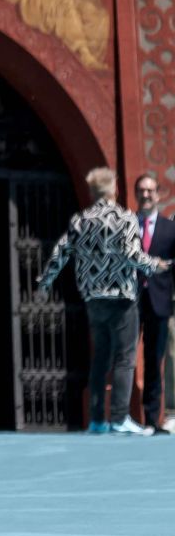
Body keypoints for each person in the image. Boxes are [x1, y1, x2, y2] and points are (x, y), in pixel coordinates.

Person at [40, 167, 169, 435]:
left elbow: (60, 253)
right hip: (122, 298)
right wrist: (155, 265)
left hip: (93, 298)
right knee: (125, 358)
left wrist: (45, 281)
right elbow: (134, 255)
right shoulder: (124, 218)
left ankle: (97, 420)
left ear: (91, 191)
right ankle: (120, 417)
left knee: (100, 358)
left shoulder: (80, 220)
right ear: (115, 190)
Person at [134, 174, 175, 433]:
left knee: (154, 359)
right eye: (142, 190)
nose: (146, 195)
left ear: (158, 195)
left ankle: (151, 419)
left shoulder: (170, 229)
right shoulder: (124, 226)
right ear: (136, 194)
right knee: (125, 358)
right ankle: (120, 418)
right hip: (130, 301)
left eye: (150, 191)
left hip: (160, 301)